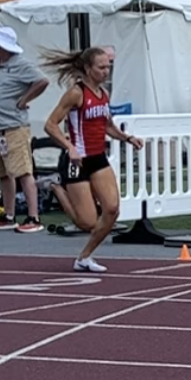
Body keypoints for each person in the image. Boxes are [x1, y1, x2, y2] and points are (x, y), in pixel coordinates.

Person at [42, 46, 144, 273]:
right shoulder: (76, 93)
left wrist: (128, 138)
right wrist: (70, 148)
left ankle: (84, 257)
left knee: (112, 210)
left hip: (97, 157)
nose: (106, 72)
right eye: (101, 67)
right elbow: (50, 125)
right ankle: (57, 188)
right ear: (88, 69)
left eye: (108, 67)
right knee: (87, 222)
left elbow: (107, 126)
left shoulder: (103, 94)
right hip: (77, 160)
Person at [0, 26, 50, 234]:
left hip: (12, 127)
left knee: (22, 171)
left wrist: (25, 99)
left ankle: (33, 216)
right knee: (3, 173)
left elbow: (42, 80)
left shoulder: (20, 64)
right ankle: (9, 215)